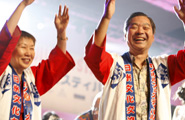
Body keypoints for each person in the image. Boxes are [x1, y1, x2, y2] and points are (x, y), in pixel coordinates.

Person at [84, 0, 185, 119]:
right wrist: (106, 18)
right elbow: (94, 55)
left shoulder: (163, 65)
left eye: (146, 27)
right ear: (125, 36)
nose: (140, 31)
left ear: (153, 37)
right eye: (134, 27)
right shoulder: (114, 65)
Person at [0, 0, 75, 120]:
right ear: (11, 48)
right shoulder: (2, 71)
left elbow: (56, 64)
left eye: (32, 48)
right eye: (23, 47)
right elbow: (5, 39)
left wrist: (61, 34)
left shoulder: (31, 78)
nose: (28, 53)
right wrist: (22, 5)